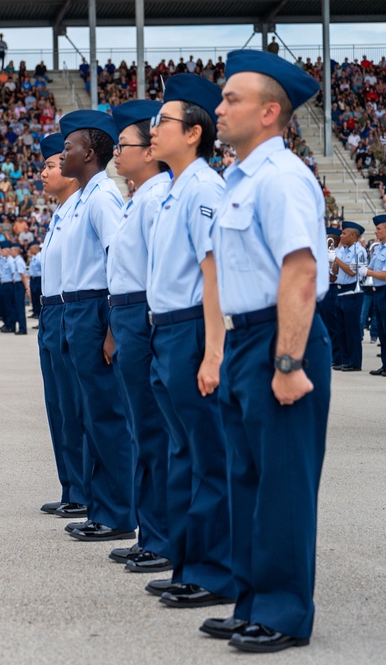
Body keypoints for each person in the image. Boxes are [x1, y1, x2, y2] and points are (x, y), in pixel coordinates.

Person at [207, 49, 328, 653]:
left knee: (282, 481)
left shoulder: (282, 179)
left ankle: (283, 612)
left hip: (281, 338)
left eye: (232, 99)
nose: (219, 108)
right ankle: (252, 599)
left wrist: (288, 362)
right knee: (247, 478)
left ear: (270, 111)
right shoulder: (239, 180)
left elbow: (300, 273)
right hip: (246, 335)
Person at [144, 74, 236, 607]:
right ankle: (188, 562)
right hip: (167, 329)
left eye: (164, 123)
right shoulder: (174, 189)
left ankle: (213, 573)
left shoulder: (203, 188)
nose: (154, 132)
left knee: (206, 455)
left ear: (195, 133)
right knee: (182, 453)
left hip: (191, 329)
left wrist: (212, 352)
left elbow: (213, 273)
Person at [56, 109, 135, 543]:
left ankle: (119, 513)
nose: (63, 152)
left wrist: (110, 328)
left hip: (94, 310)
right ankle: (102, 507)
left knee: (105, 415)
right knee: (91, 415)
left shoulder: (103, 196)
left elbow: (117, 259)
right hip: (76, 310)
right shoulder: (84, 197)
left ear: (88, 153)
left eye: (68, 147)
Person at [104, 99, 174, 573]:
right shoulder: (138, 198)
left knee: (154, 431)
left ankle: (163, 538)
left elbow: (157, 272)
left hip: (146, 316)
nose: (116, 153)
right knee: (142, 431)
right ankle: (152, 532)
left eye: (123, 145)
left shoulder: (157, 198)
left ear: (150, 150)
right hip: (127, 316)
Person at [36, 132, 89, 519]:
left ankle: (84, 489)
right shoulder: (61, 213)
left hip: (72, 309)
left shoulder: (86, 206)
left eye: (50, 165)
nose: (43, 173)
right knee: (58, 406)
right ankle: (70, 486)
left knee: (76, 407)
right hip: (51, 312)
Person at [331, 221, 368, 371]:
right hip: (340, 290)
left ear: (353, 236)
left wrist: (336, 259)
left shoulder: (359, 251)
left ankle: (354, 362)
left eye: (344, 233)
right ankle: (344, 359)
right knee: (342, 328)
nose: (341, 235)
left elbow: (352, 272)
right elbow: (334, 272)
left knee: (351, 329)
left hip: (353, 291)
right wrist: (333, 259)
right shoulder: (342, 250)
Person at [363, 216, 386, 375]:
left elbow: (384, 274)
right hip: (378, 291)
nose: (375, 231)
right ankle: (385, 364)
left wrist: (368, 272)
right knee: (382, 331)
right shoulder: (378, 248)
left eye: (379, 228)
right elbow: (369, 267)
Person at [318, 227, 342, 365]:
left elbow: (333, 277)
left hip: (332, 289)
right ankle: (330, 354)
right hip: (323, 290)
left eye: (328, 239)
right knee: (325, 323)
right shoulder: (323, 253)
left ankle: (337, 355)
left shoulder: (336, 254)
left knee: (333, 324)